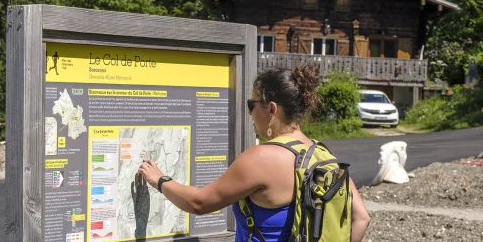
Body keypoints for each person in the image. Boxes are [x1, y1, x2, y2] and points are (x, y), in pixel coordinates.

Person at [138, 63, 371, 242]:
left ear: (271, 109)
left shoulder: (262, 157)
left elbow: (199, 203)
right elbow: (361, 217)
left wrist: (159, 179)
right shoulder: (320, 153)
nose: (249, 112)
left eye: (252, 104)